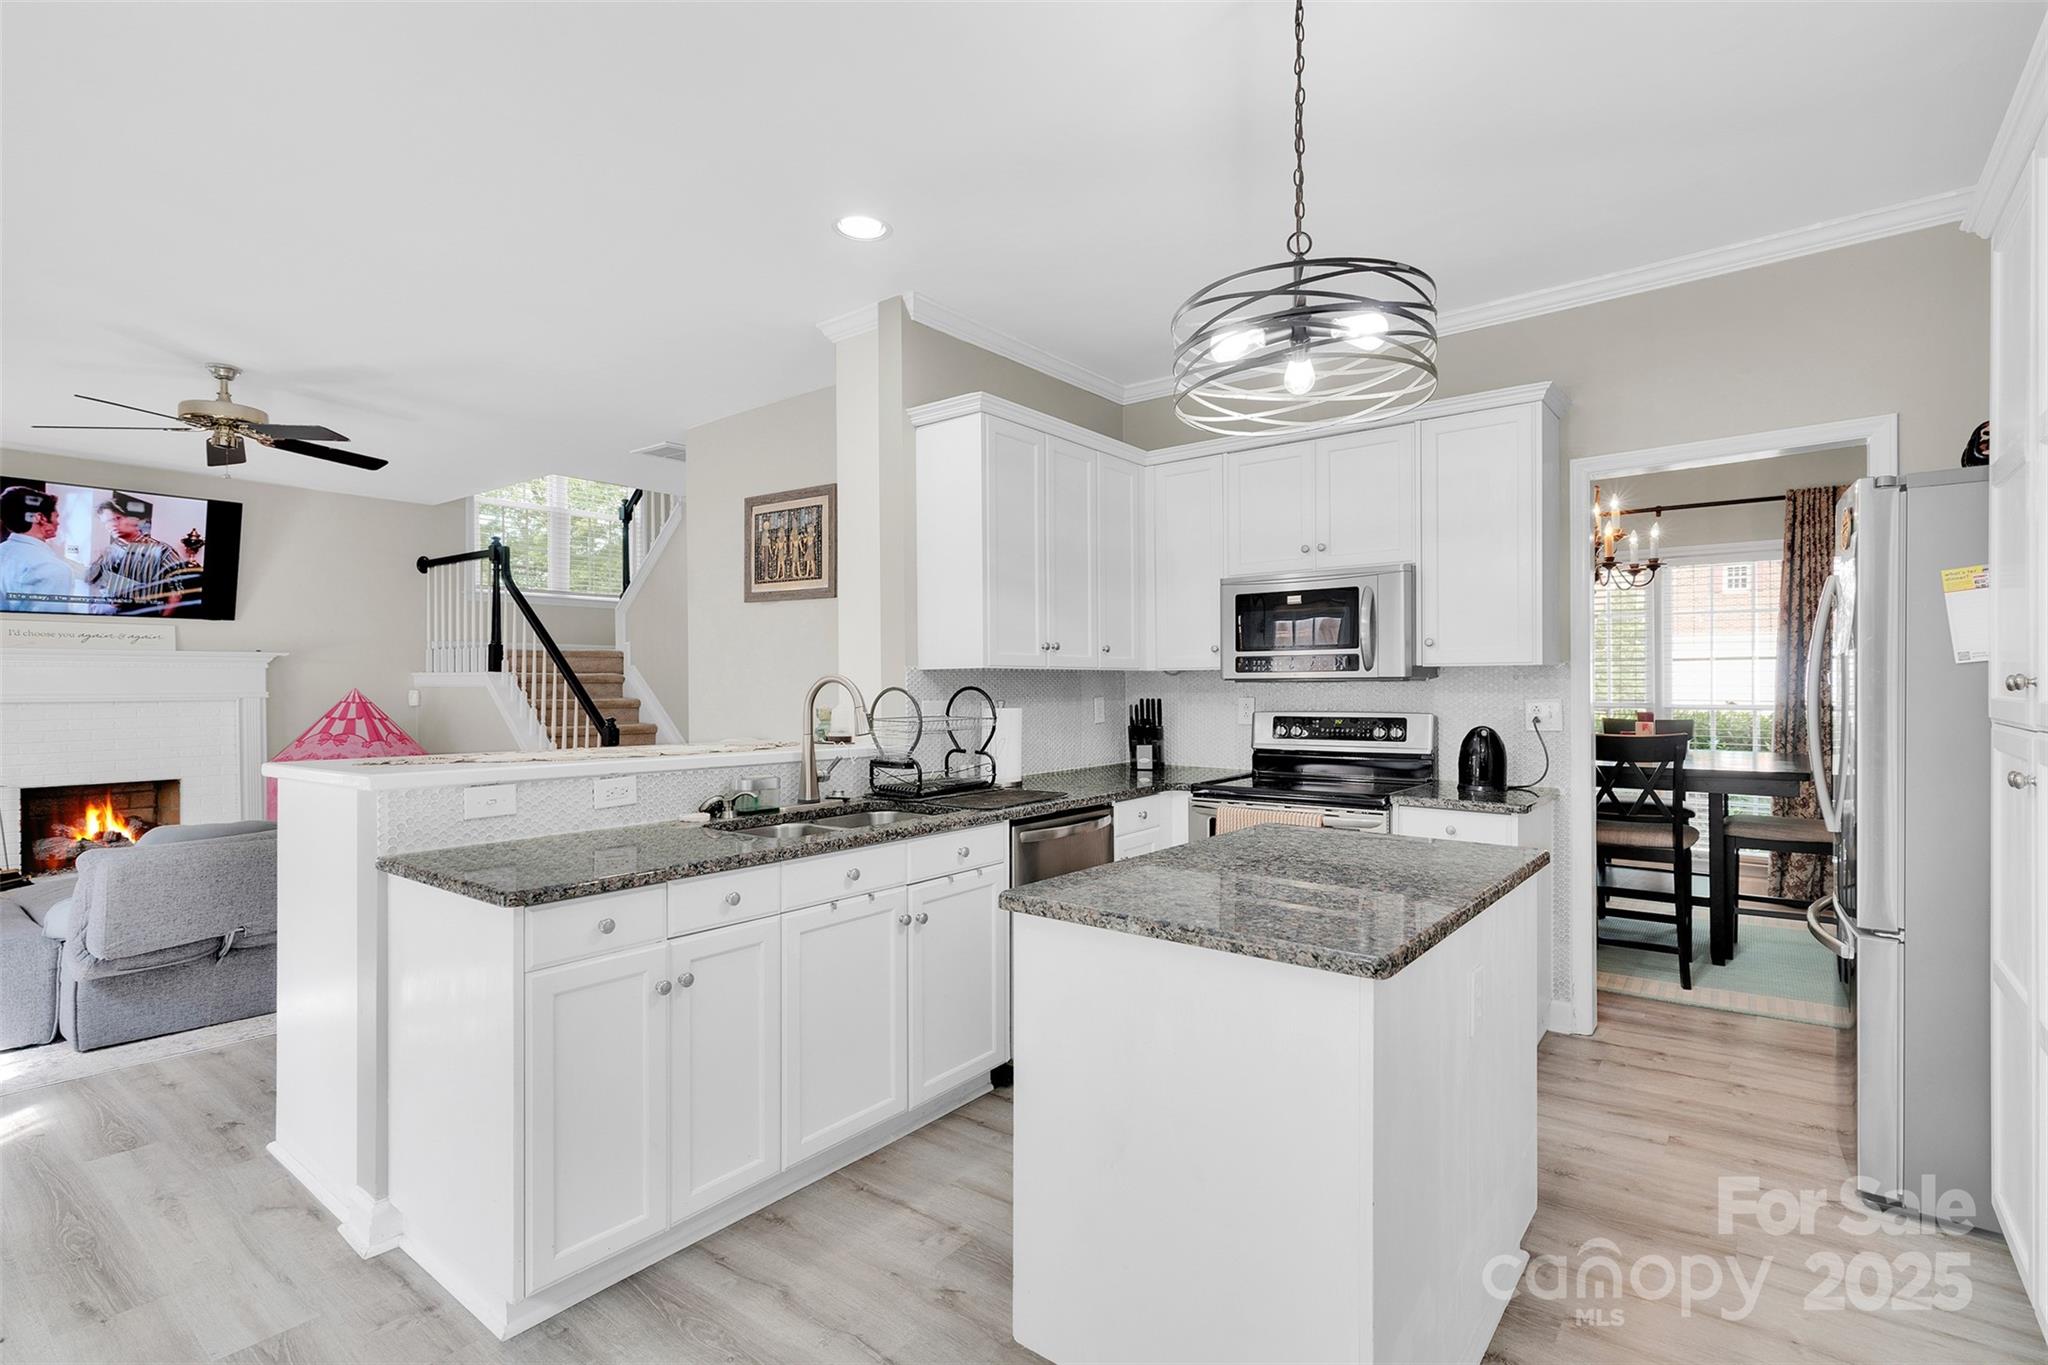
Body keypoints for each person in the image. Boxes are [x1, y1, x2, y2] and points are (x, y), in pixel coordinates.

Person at [0, 485, 102, 612]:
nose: (58, 523)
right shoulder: (53, 568)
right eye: (56, 516)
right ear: (40, 518)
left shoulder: (5, 551)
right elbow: (50, 627)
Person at [88, 491, 187, 615]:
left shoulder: (163, 551)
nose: (112, 525)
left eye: (116, 518)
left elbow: (176, 594)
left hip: (142, 618)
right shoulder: (107, 553)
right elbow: (95, 584)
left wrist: (161, 622)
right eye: (107, 522)